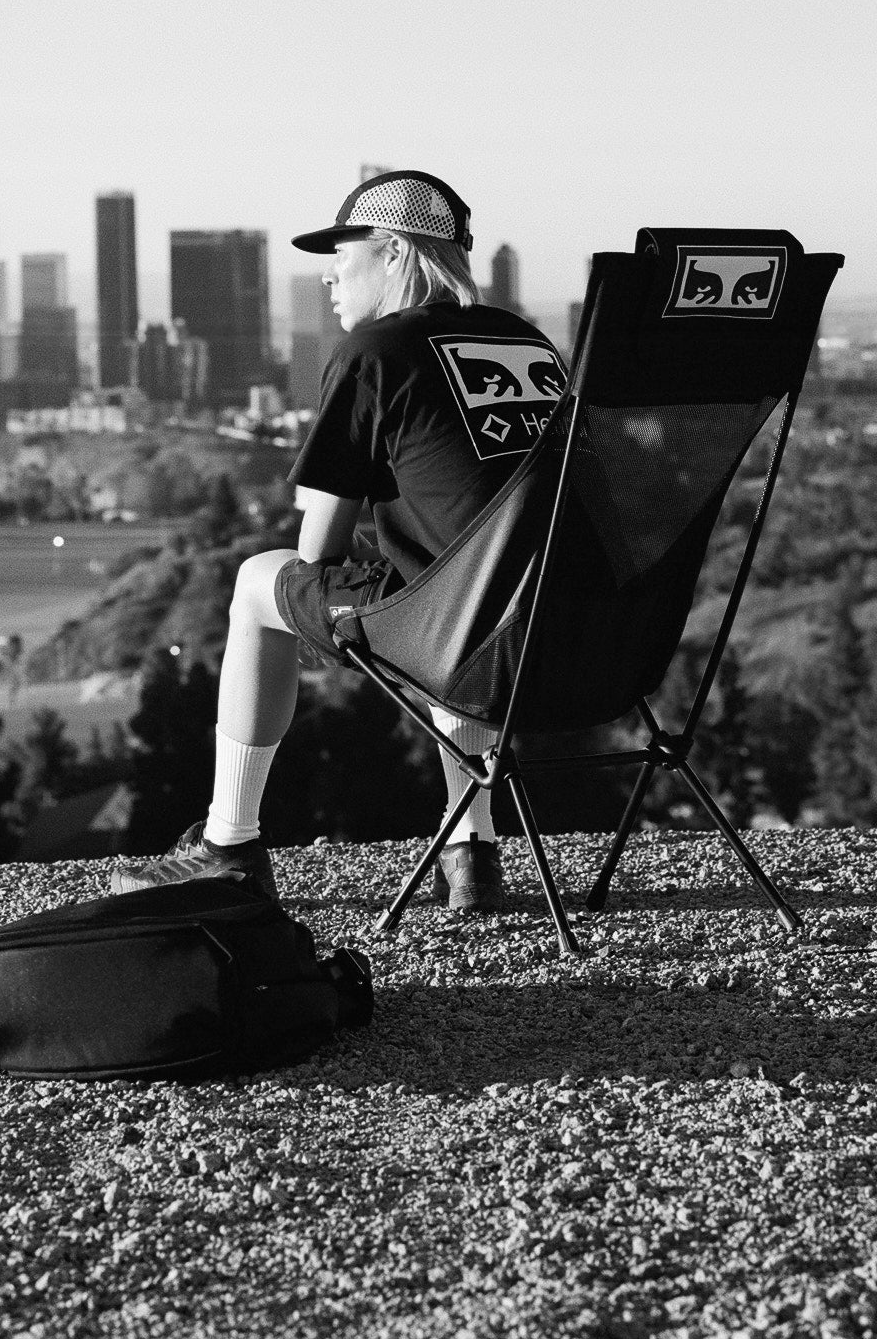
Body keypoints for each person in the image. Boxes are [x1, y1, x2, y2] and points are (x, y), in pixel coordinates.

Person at [108, 169, 567, 913]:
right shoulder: (529, 345)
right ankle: (471, 850)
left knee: (263, 579)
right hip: (575, 637)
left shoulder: (377, 353)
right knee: (457, 583)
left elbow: (315, 553)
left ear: (391, 252)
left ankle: (228, 844)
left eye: (342, 251)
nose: (328, 273)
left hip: (469, 636)